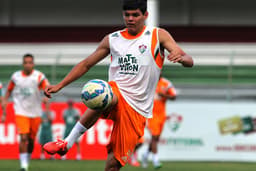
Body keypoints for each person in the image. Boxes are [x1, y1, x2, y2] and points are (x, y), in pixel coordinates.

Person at [43, 0, 193, 170]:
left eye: (135, 15)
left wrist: (180, 58)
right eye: (127, 15)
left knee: (113, 165)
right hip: (116, 91)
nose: (130, 18)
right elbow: (86, 63)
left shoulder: (158, 35)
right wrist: (60, 85)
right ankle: (66, 143)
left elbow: (189, 60)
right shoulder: (113, 39)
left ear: (145, 15)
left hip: (137, 107)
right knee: (99, 93)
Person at [1, 53, 50, 171]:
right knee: (23, 137)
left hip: (36, 112)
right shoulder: (16, 77)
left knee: (31, 140)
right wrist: (4, 111)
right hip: (20, 111)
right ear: (23, 64)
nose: (28, 65)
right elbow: (8, 92)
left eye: (30, 62)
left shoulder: (39, 76)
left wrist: (46, 102)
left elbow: (47, 90)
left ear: (33, 64)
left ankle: (27, 159)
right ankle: (23, 166)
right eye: (26, 63)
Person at [141, 76, 177, 169]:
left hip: (161, 115)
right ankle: (156, 160)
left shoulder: (166, 83)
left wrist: (164, 95)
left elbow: (174, 96)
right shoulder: (147, 81)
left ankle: (145, 155)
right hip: (150, 115)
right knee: (154, 136)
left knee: (156, 139)